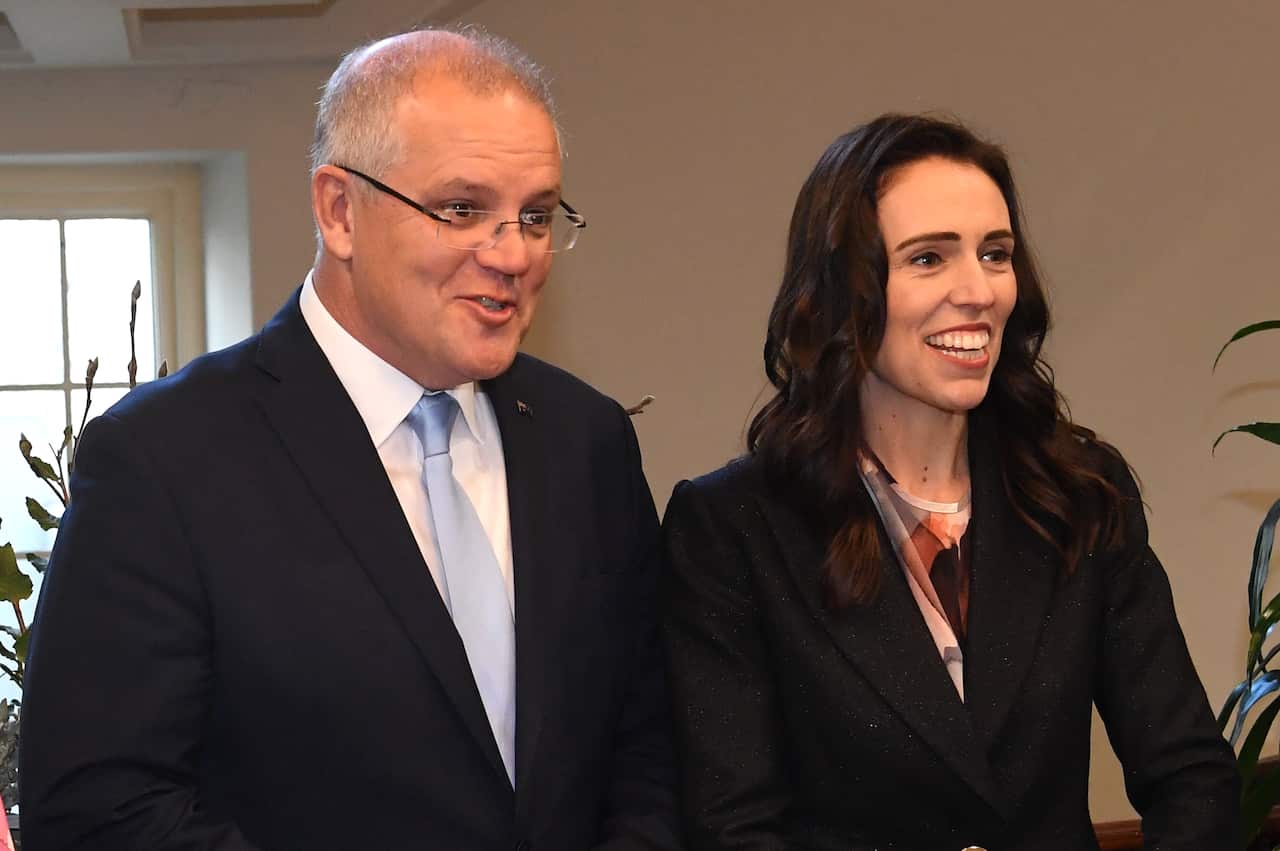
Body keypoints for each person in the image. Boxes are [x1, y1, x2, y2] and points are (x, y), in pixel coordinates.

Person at [20, 27, 679, 851]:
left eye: (536, 215)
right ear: (340, 211)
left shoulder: (587, 443)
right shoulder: (164, 460)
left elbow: (648, 747)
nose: (513, 254)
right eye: (463, 209)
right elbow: (98, 812)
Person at [660, 114, 1239, 850]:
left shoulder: (1080, 492)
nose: (978, 290)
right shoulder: (731, 526)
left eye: (995, 254)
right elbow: (733, 827)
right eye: (929, 258)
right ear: (845, 290)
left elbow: (1192, 775)